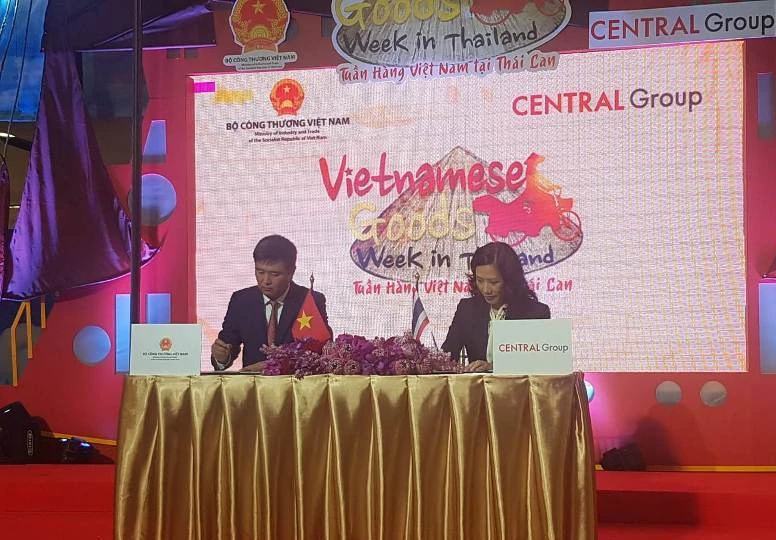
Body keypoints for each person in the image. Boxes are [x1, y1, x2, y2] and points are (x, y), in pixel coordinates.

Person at [211, 235, 330, 372]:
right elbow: (227, 347)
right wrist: (221, 357)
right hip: (252, 384)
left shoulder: (311, 300)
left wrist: (273, 366)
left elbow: (319, 354)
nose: (266, 281)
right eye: (260, 272)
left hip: (295, 383)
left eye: (274, 274)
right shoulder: (241, 300)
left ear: (291, 272)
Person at [442, 242, 550, 372]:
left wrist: (494, 368)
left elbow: (538, 367)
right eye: (480, 280)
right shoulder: (467, 309)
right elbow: (447, 356)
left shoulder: (536, 313)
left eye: (493, 282)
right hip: (476, 385)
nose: (486, 289)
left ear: (510, 281)